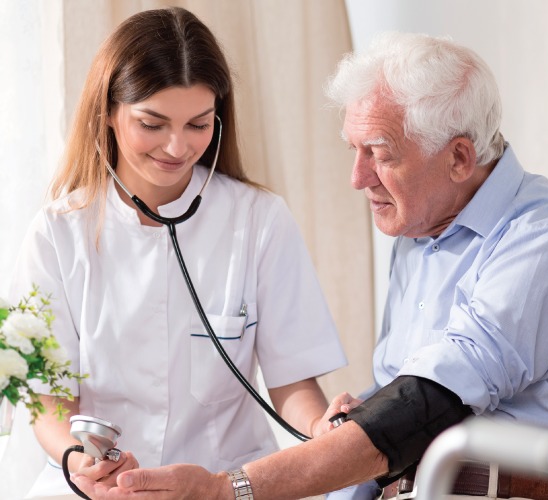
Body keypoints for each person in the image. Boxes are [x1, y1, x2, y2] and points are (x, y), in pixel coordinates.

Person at [73, 31, 548, 500]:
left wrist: (230, 490)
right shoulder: (422, 235)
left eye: (381, 154)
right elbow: (391, 417)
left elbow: (422, 408)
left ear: (459, 157)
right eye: (353, 151)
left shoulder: (547, 244)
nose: (358, 179)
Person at [9, 6, 347, 498]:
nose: (176, 146)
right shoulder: (56, 233)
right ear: (108, 112)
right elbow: (48, 403)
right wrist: (81, 462)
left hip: (223, 484)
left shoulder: (259, 220)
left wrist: (324, 429)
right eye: (152, 123)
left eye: (198, 124)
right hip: (96, 490)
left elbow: (293, 383)